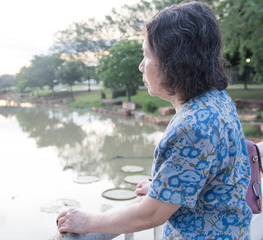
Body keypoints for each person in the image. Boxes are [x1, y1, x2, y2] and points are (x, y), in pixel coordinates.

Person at [56, 1, 252, 239]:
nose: (141, 66)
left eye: (146, 56)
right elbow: (209, 172)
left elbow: (151, 215)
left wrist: (89, 221)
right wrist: (166, 189)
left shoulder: (192, 127)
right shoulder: (217, 100)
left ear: (176, 62)